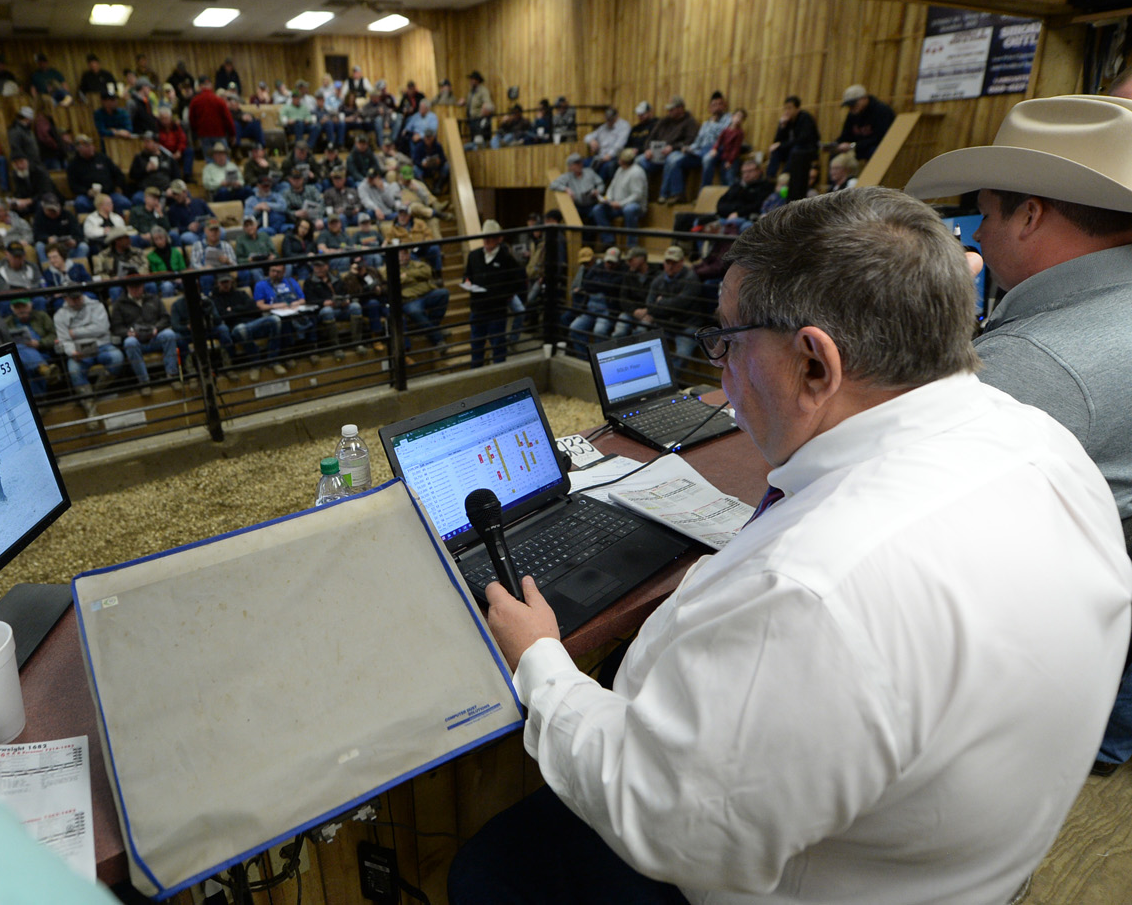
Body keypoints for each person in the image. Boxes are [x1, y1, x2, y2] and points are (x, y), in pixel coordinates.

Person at [452, 186, 1132, 905]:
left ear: (815, 364)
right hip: (960, 858)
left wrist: (541, 665)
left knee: (487, 868)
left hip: (798, 880)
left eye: (728, 342)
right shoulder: (1045, 447)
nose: (721, 371)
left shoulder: (810, 594)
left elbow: (664, 827)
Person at [906, 93, 1132, 777]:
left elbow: (904, 490)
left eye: (984, 211)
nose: (973, 236)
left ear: (1029, 214)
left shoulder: (1033, 364)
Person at [463, 219, 525, 368]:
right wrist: (467, 283)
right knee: (476, 345)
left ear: (498, 239)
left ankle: (499, 378)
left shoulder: (507, 259)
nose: (487, 241)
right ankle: (475, 376)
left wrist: (505, 295)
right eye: (485, 238)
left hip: (496, 310)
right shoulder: (474, 255)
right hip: (478, 309)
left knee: (498, 345)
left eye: (490, 238)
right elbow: (467, 276)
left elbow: (519, 280)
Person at [54, 289, 123, 417]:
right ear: (65, 299)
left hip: (102, 345)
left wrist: (74, 332)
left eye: (78, 297)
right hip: (78, 350)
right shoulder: (60, 315)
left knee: (117, 357)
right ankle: (91, 409)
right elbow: (63, 339)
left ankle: (94, 393)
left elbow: (102, 328)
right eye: (72, 299)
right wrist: (71, 352)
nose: (76, 301)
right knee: (74, 369)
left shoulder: (96, 305)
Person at [633, 245, 701, 366]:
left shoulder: (691, 279)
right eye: (668, 262)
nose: (670, 266)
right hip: (665, 323)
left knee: (682, 355)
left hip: (686, 325)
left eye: (674, 262)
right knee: (641, 335)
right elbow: (649, 305)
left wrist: (660, 302)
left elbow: (681, 305)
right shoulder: (658, 280)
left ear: (681, 262)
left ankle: (675, 383)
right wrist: (663, 306)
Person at [109, 279, 179, 396]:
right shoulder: (119, 304)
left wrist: (156, 328)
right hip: (136, 341)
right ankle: (144, 382)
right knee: (129, 342)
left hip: (154, 337)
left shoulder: (154, 298)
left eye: (138, 286)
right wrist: (129, 332)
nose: (136, 290)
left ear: (143, 286)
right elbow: (116, 328)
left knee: (169, 334)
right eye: (133, 287)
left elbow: (165, 318)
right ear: (127, 287)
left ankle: (172, 375)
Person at [660, 91, 731, 204]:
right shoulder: (706, 123)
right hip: (701, 150)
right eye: (714, 105)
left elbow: (724, 134)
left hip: (717, 149)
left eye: (719, 104)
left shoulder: (729, 119)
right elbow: (698, 141)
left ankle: (702, 196)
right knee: (676, 161)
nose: (717, 107)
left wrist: (714, 124)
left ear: (724, 106)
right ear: (709, 108)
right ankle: (678, 194)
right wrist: (689, 148)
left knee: (707, 160)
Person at [210, 272, 283, 378]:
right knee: (241, 329)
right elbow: (223, 316)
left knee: (275, 320)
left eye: (227, 282)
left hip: (253, 323)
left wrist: (233, 310)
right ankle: (256, 363)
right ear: (218, 284)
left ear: (232, 282)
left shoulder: (241, 294)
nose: (225, 284)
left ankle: (273, 360)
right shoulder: (214, 300)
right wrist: (241, 309)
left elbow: (253, 308)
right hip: (236, 328)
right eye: (223, 282)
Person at [634, 97, 699, 191]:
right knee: (639, 161)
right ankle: (641, 192)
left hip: (673, 152)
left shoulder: (690, 122)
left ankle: (665, 194)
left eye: (672, 109)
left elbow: (690, 140)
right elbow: (650, 137)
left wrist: (673, 147)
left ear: (681, 108)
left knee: (671, 160)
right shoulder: (664, 121)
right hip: (656, 154)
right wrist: (647, 149)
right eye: (669, 109)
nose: (669, 111)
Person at [302, 259, 362, 361]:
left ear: (327, 266)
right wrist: (323, 303)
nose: (318, 269)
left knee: (355, 306)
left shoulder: (336, 279)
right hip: (323, 312)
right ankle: (336, 347)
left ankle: (357, 343)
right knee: (327, 311)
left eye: (320, 266)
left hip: (340, 308)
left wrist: (346, 300)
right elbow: (309, 300)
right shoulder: (309, 282)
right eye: (316, 266)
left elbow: (344, 292)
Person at [567, 246, 623, 356]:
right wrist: (604, 285)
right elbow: (586, 284)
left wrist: (598, 284)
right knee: (574, 327)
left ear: (618, 262)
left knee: (599, 331)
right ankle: (584, 358)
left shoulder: (622, 271)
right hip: (589, 309)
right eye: (608, 262)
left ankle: (599, 361)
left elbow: (613, 286)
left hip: (607, 311)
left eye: (612, 263)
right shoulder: (598, 267)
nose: (609, 265)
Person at [395, 245, 449, 355]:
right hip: (410, 300)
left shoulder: (416, 263)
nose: (402, 257)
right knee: (414, 311)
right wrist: (417, 277)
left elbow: (427, 272)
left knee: (443, 293)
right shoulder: (390, 268)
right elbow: (393, 279)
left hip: (426, 294)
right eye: (399, 254)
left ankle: (432, 328)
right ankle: (438, 339)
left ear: (408, 255)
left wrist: (408, 276)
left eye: (404, 253)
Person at [254, 261, 313, 361]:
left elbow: (302, 300)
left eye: (278, 272)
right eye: (272, 271)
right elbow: (260, 306)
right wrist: (277, 306)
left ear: (284, 272)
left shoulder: (291, 281)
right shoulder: (261, 285)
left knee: (311, 315)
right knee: (284, 321)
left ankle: (311, 350)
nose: (275, 274)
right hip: (273, 313)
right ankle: (287, 355)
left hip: (292, 310)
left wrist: (294, 304)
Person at [590, 148, 648, 248]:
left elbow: (637, 195)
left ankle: (632, 245)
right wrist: (607, 199)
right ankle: (608, 240)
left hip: (635, 206)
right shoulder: (620, 170)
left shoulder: (637, 172)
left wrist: (621, 204)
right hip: (616, 205)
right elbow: (612, 186)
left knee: (629, 210)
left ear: (623, 161)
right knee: (598, 210)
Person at [66, 135, 131, 213]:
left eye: (91, 145)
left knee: (124, 202)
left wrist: (118, 186)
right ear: (79, 148)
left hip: (108, 193)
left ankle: (118, 222)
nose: (91, 147)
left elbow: (119, 174)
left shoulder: (102, 158)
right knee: (80, 203)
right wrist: (87, 191)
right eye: (87, 146)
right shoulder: (74, 165)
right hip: (88, 196)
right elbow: (73, 185)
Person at [766, 94, 820, 182]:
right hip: (793, 148)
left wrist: (781, 145)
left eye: (790, 108)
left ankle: (784, 176)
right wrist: (782, 127)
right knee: (776, 151)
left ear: (797, 109)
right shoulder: (787, 121)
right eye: (785, 108)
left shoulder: (805, 118)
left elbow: (802, 140)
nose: (787, 111)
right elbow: (777, 141)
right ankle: (770, 177)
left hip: (807, 148)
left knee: (795, 150)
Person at [835, 84, 896, 162]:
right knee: (835, 156)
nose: (851, 108)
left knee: (875, 152)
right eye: (849, 106)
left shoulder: (882, 111)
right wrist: (836, 144)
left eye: (853, 104)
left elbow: (881, 137)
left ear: (864, 99)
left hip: (878, 147)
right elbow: (846, 135)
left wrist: (853, 146)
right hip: (859, 148)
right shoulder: (853, 113)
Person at [549, 153, 603, 241]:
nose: (579, 165)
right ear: (570, 167)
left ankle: (589, 242)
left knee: (596, 215)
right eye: (576, 164)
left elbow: (600, 184)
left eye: (580, 163)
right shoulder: (567, 176)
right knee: (572, 216)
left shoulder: (589, 172)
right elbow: (553, 185)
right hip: (578, 206)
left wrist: (598, 191)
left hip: (591, 204)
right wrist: (566, 189)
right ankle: (579, 242)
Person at [0, 241, 47, 314]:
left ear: (24, 256)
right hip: (7, 298)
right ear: (7, 254)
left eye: (20, 257)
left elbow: (40, 284)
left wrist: (30, 289)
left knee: (40, 300)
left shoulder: (32, 267)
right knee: (4, 304)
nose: (18, 260)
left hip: (28, 297)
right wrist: (3, 293)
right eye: (15, 257)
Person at [189, 77, 237, 161]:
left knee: (209, 160)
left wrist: (196, 134)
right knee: (224, 160)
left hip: (204, 135)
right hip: (219, 134)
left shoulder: (195, 101)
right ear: (210, 85)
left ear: (200, 86)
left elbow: (192, 120)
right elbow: (228, 119)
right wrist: (232, 134)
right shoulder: (219, 100)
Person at [33, 193, 88, 263]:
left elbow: (79, 234)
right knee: (39, 246)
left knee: (83, 247)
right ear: (44, 209)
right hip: (50, 248)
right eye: (50, 211)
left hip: (67, 248)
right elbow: (36, 235)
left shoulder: (68, 215)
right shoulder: (39, 217)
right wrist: (47, 238)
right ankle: (47, 269)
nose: (53, 213)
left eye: (54, 210)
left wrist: (75, 241)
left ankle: (77, 268)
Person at [584, 107, 632, 182]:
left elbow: (619, 145)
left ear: (617, 117)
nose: (609, 122)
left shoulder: (624, 126)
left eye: (611, 119)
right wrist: (591, 141)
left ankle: (599, 188)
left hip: (614, 157)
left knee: (606, 167)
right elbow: (587, 137)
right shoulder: (603, 127)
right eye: (607, 119)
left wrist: (609, 155)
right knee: (584, 163)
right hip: (600, 156)